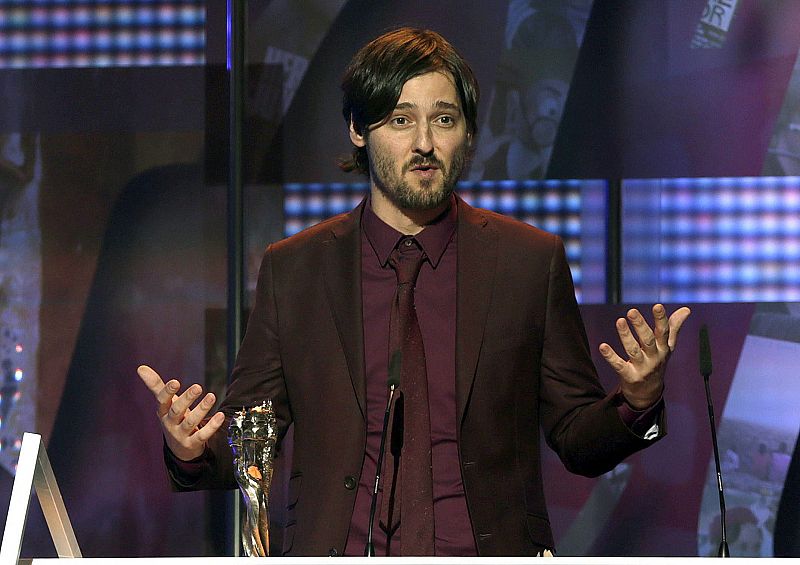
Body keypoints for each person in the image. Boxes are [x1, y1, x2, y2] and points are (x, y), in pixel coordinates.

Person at [138, 27, 690, 557]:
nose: (425, 144)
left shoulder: (528, 263)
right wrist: (191, 449)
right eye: (401, 120)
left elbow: (577, 441)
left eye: (443, 120)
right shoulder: (297, 270)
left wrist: (636, 403)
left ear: (468, 132)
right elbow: (249, 437)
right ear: (358, 129)